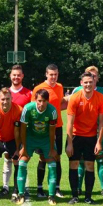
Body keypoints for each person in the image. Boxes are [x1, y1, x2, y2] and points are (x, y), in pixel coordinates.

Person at [66, 72, 103, 204]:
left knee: (90, 165)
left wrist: (99, 142)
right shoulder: (75, 98)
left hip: (91, 137)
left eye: (91, 81)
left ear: (94, 82)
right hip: (76, 136)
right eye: (86, 82)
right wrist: (69, 143)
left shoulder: (100, 97)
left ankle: (88, 197)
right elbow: (70, 123)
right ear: (81, 83)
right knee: (74, 164)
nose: (88, 84)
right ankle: (74, 196)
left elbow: (101, 123)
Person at [16, 89, 58, 205]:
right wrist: (24, 147)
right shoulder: (27, 108)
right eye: (39, 101)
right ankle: (21, 194)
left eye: (44, 101)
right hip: (30, 138)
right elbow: (23, 129)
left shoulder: (52, 111)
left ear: (47, 101)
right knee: (22, 163)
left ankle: (51, 196)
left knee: (52, 164)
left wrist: (51, 148)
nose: (41, 104)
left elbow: (52, 131)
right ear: (35, 100)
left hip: (45, 139)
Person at [33, 64, 66, 198]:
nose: (53, 77)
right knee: (43, 158)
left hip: (57, 126)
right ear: (46, 74)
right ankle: (40, 188)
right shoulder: (38, 88)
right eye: (51, 74)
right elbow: (34, 109)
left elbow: (61, 103)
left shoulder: (60, 87)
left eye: (56, 74)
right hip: (43, 128)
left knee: (56, 157)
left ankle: (56, 188)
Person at [0, 88, 22, 200]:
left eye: (7, 99)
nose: (5, 102)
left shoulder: (18, 110)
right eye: (3, 99)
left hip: (12, 139)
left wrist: (17, 148)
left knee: (17, 161)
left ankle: (15, 191)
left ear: (11, 98)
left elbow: (17, 131)